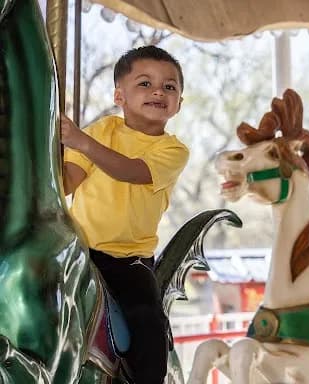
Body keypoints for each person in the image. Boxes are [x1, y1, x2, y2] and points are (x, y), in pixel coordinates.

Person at [61, 45, 189, 384]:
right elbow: (68, 181)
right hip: (77, 252)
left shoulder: (172, 150)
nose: (158, 91)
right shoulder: (102, 130)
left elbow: (132, 171)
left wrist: (81, 142)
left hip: (127, 262)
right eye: (145, 83)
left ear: (179, 103)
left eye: (169, 86)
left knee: (146, 319)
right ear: (120, 96)